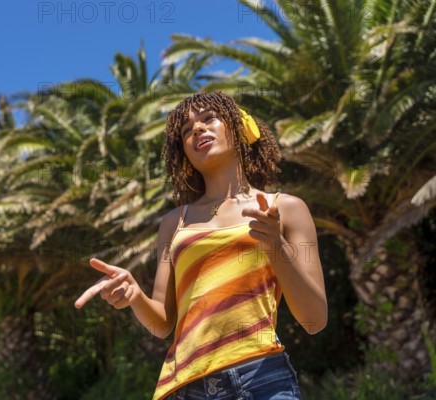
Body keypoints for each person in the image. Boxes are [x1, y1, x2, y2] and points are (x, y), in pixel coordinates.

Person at [75, 91, 328, 400]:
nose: (197, 129)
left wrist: (276, 245)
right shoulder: (174, 223)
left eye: (209, 119)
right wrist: (134, 295)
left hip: (262, 380)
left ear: (238, 128)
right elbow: (162, 323)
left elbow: (314, 318)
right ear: (184, 154)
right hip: (185, 387)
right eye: (186, 130)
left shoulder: (285, 208)